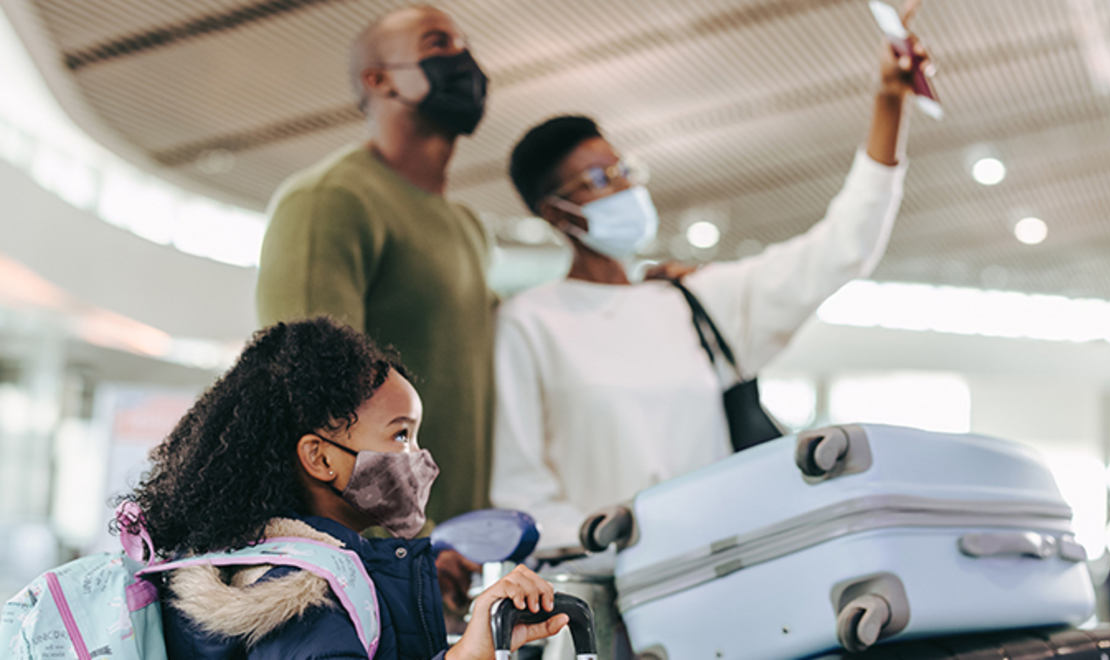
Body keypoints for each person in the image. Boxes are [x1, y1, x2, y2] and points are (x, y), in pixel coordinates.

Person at [492, 16, 930, 548]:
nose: (624, 188)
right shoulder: (531, 323)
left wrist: (889, 104)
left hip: (724, 565)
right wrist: (612, 544)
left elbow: (844, 247)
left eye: (623, 169)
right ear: (556, 212)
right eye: (598, 181)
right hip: (610, 585)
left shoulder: (691, 300)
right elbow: (521, 488)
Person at [120, 318, 567, 659]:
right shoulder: (300, 600)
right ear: (320, 458)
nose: (420, 458)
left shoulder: (281, 574)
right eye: (400, 435)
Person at [255, 5, 496, 537]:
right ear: (379, 79)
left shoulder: (467, 226)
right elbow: (304, 394)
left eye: (463, 44)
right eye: (439, 45)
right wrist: (401, 539)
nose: (464, 60)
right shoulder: (330, 200)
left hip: (451, 553)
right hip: (376, 557)